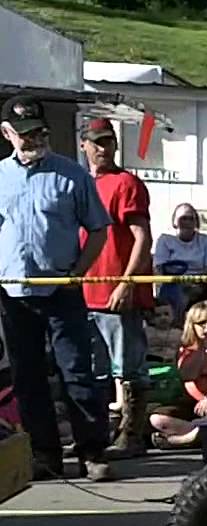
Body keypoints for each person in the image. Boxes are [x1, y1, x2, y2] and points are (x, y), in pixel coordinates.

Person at [0, 95, 114, 481]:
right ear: (7, 133)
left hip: (62, 289)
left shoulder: (72, 174)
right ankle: (44, 453)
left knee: (77, 373)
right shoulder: (0, 176)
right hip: (12, 294)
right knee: (27, 377)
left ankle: (92, 451)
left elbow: (99, 228)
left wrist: (79, 271)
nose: (33, 140)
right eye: (25, 134)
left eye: (38, 132)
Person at [78, 118, 155, 459]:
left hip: (116, 292)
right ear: (84, 145)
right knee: (95, 369)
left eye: (107, 142)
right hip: (84, 292)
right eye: (96, 142)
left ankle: (132, 434)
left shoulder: (127, 183)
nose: (102, 148)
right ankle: (98, 434)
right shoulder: (79, 183)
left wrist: (126, 283)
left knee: (128, 366)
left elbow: (143, 237)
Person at [149, 301, 207, 450]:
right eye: (201, 323)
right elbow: (188, 378)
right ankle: (201, 434)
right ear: (192, 325)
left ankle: (187, 438)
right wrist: (202, 349)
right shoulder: (187, 352)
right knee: (157, 418)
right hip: (196, 404)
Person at [154, 202, 207, 316]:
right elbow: (159, 267)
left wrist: (195, 284)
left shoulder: (206, 241)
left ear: (196, 222)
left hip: (199, 285)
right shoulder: (165, 240)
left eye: (191, 219)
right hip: (171, 284)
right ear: (175, 221)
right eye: (183, 218)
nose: (187, 222)